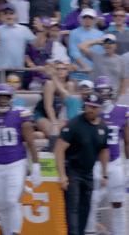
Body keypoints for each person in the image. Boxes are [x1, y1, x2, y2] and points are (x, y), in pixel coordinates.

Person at [0, 84, 41, 235]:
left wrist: (36, 166)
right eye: (0, 97)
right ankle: (5, 232)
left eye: (5, 97)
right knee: (2, 205)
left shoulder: (20, 115)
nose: (2, 101)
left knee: (13, 201)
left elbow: (30, 142)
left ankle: (14, 232)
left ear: (10, 98)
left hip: (16, 164)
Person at [55, 92, 110, 235]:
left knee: (85, 210)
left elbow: (104, 150)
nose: (90, 110)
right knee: (72, 209)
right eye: (88, 106)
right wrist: (62, 175)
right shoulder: (74, 124)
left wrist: (105, 174)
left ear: (100, 109)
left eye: (93, 107)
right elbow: (59, 149)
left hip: (88, 172)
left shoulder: (103, 127)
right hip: (72, 170)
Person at [84, 76, 127, 235]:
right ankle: (89, 232)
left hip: (115, 163)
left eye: (106, 91)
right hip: (95, 163)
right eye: (100, 91)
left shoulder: (123, 111)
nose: (104, 94)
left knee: (118, 203)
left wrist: (128, 167)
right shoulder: (90, 112)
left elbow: (127, 141)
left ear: (111, 92)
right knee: (91, 201)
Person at [0, 4, 36, 77]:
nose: (9, 16)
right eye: (6, 13)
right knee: (0, 89)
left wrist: (41, 31)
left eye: (11, 13)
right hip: (1, 69)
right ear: (2, 16)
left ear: (15, 15)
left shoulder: (24, 29)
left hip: (18, 69)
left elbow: (36, 44)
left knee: (17, 89)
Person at [78, 34, 128, 99]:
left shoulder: (122, 60)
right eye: (106, 43)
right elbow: (81, 46)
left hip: (113, 96)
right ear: (103, 45)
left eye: (111, 43)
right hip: (96, 95)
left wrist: (120, 97)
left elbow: (124, 81)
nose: (108, 45)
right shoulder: (96, 56)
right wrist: (96, 42)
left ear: (116, 46)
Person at [68, 8, 105, 81]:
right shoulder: (74, 33)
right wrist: (85, 67)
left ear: (94, 19)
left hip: (96, 73)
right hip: (79, 73)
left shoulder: (101, 34)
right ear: (81, 19)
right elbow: (74, 52)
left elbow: (102, 53)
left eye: (90, 17)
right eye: (85, 17)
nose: (87, 20)